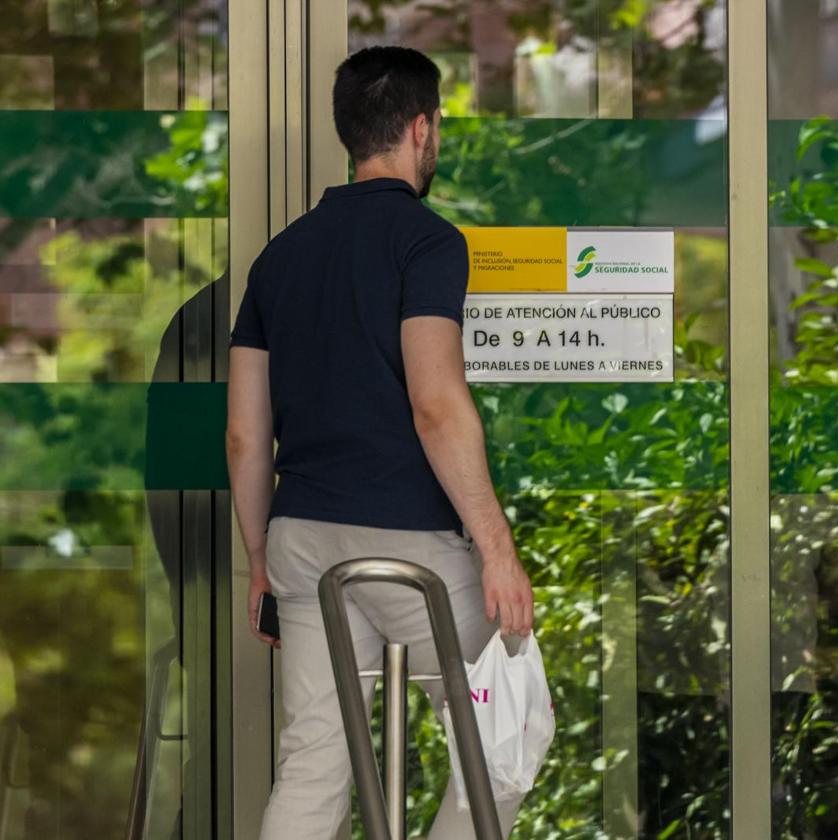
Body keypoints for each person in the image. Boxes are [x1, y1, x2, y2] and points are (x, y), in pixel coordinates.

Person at [225, 46, 534, 839]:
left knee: (316, 757)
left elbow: (244, 437)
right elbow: (436, 404)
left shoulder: (278, 259)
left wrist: (261, 560)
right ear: (422, 129)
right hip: (408, 549)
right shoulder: (427, 243)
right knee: (507, 742)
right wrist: (496, 548)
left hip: (303, 545)